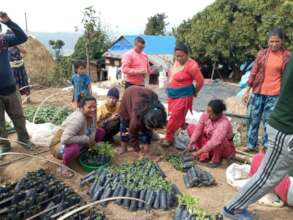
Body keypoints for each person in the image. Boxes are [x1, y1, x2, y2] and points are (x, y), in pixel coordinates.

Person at [222, 50, 293, 220]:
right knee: (266, 177)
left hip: (284, 126)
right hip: (286, 129)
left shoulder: (287, 57)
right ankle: (232, 209)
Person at [243, 28, 291, 152]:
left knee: (268, 122)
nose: (274, 44)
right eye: (271, 41)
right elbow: (254, 72)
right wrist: (247, 90)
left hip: (275, 95)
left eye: (277, 41)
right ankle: (251, 145)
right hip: (258, 92)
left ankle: (265, 147)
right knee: (253, 119)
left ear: (282, 41)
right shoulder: (262, 54)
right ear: (268, 41)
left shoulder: (287, 56)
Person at [0, 12, 33, 159]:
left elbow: (22, 37)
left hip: (10, 88)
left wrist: (8, 21)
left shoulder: (3, 41)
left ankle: (24, 139)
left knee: (18, 116)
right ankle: (4, 145)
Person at [162, 43, 204, 147]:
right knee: (176, 117)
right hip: (172, 95)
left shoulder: (192, 66)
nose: (179, 58)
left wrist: (195, 92)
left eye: (181, 56)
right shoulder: (175, 61)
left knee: (173, 118)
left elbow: (200, 81)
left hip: (184, 96)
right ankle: (181, 133)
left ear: (187, 54)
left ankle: (168, 138)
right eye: (177, 56)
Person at [54, 96, 105, 178]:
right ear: (82, 107)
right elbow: (65, 139)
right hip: (59, 143)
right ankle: (64, 165)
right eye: (89, 107)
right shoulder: (78, 118)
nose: (93, 109)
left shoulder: (93, 114)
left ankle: (84, 151)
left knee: (101, 132)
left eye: (94, 106)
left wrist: (92, 141)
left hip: (80, 136)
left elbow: (94, 128)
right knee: (74, 149)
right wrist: (86, 139)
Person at [185, 100, 235, 167]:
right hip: (208, 141)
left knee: (219, 141)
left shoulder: (224, 124)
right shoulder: (206, 114)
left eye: (211, 114)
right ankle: (204, 152)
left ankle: (215, 160)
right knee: (191, 127)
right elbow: (198, 129)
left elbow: (214, 142)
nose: (208, 115)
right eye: (207, 111)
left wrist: (197, 153)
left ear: (218, 114)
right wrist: (191, 143)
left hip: (223, 148)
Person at [119, 86, 167, 155]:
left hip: (144, 94)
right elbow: (132, 133)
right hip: (128, 96)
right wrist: (137, 150)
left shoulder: (159, 111)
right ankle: (124, 148)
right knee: (124, 126)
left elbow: (149, 129)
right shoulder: (136, 117)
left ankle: (146, 148)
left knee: (147, 131)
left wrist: (147, 145)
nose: (154, 130)